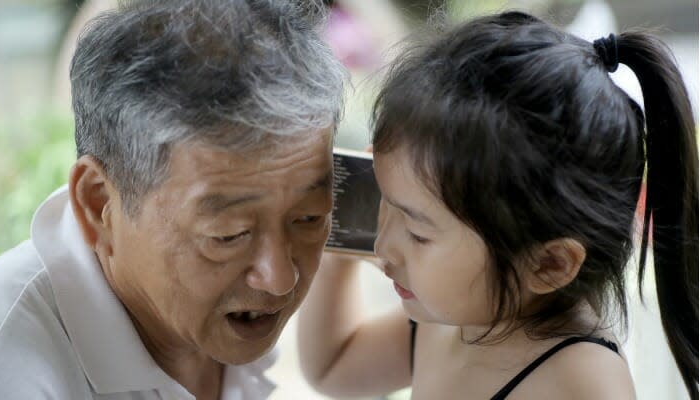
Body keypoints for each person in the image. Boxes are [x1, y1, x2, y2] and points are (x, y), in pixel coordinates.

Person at [298, 11, 698, 400]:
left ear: (549, 264)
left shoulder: (580, 381)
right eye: (385, 200)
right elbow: (336, 366)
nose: (382, 247)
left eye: (418, 233)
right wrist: (339, 253)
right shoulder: (458, 309)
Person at [0, 1, 346, 399]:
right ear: (100, 204)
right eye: (229, 235)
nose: (280, 279)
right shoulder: (3, 372)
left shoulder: (211, 319)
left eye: (309, 218)